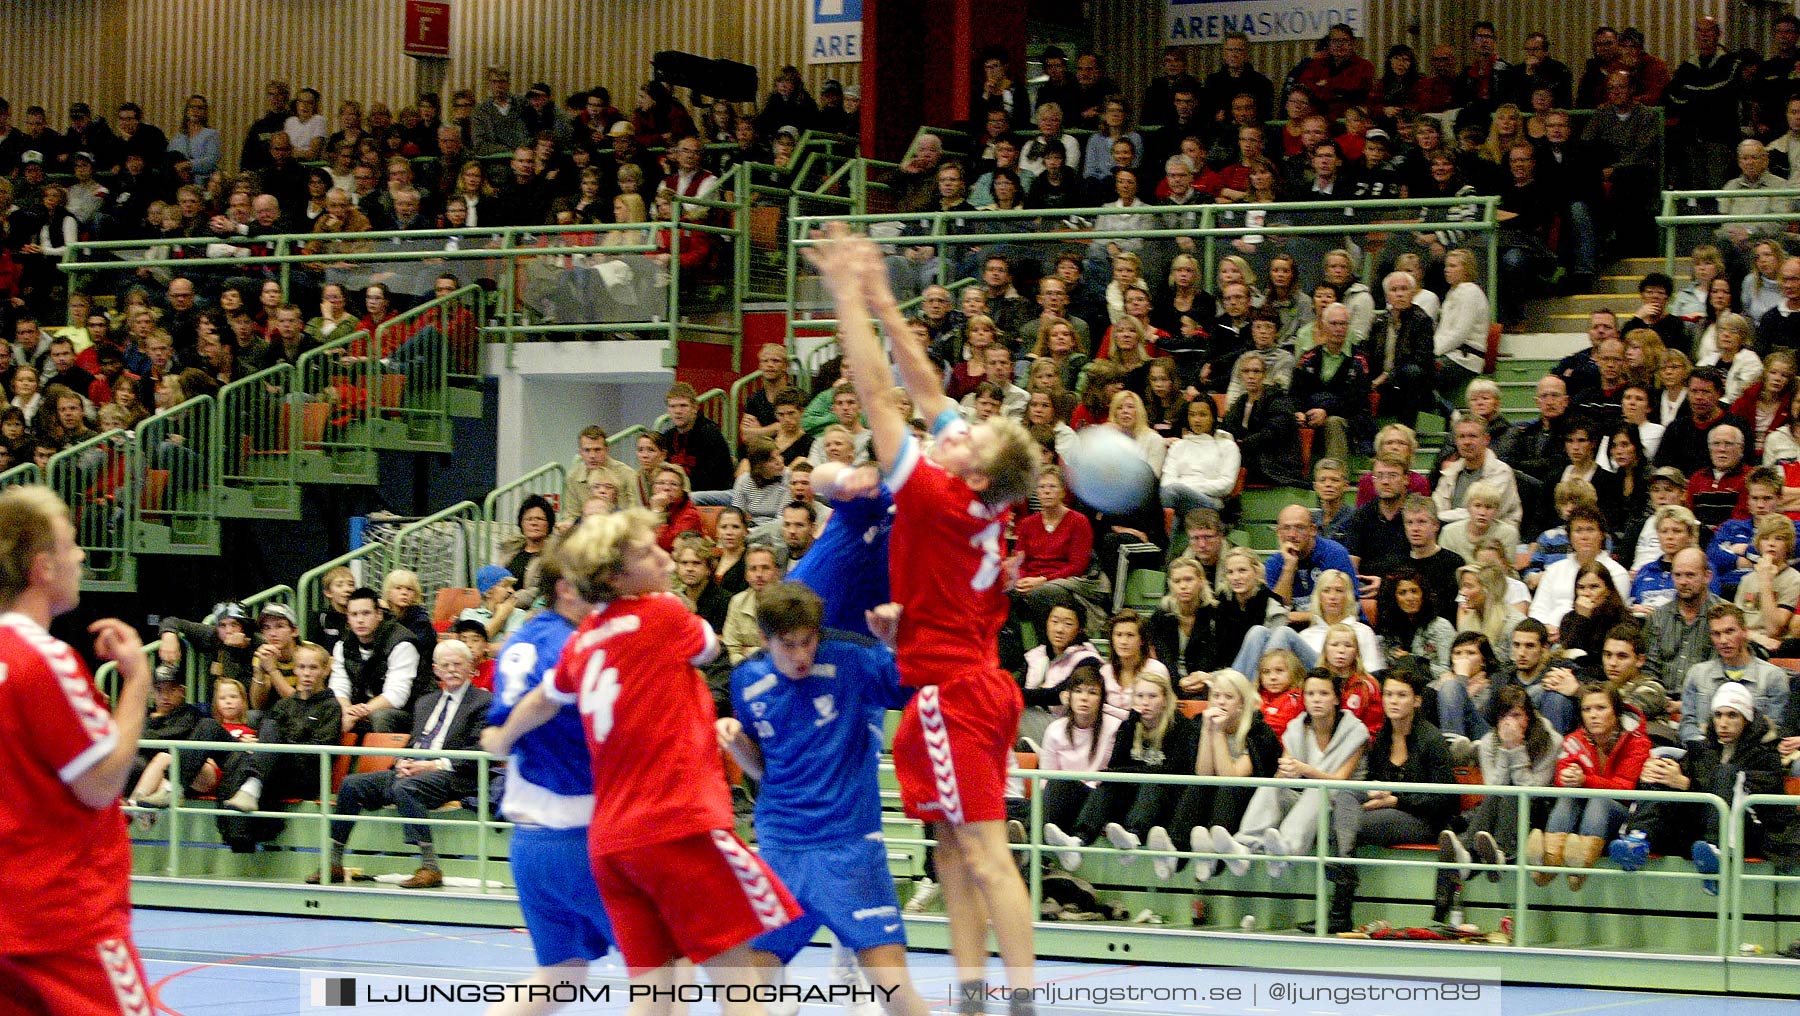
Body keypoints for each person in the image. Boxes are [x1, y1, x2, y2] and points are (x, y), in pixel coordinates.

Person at [803, 226, 1039, 1012]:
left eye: (968, 434)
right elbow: (927, 387)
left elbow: (879, 393)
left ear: (971, 466)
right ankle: (972, 991)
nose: (954, 426)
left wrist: (845, 295)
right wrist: (882, 296)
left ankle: (1024, 996)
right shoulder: (979, 500)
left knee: (986, 852)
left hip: (952, 693)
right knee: (951, 850)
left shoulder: (936, 498)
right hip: (975, 681)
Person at [482, 510, 799, 1005]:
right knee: (740, 980)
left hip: (613, 842)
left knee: (655, 993)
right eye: (649, 552)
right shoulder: (665, 614)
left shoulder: (582, 642)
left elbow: (544, 699)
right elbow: (709, 647)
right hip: (676, 824)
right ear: (615, 574)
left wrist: (500, 738)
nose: (665, 556)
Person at [715, 581, 927, 1016]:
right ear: (763, 639)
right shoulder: (745, 680)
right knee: (746, 985)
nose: (800, 656)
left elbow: (913, 690)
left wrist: (894, 643)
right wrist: (738, 748)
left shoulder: (851, 656)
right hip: (780, 847)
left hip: (849, 848)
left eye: (808, 642)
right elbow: (762, 772)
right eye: (787, 645)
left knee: (892, 986)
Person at [0, 486, 155, 1015]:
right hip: (67, 923)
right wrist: (137, 683)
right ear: (42, 567)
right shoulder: (43, 659)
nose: (82, 557)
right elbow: (100, 783)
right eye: (70, 545)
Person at [1214, 666, 1369, 929]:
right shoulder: (1297, 727)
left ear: (1335, 698)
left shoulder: (1356, 731)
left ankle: (1285, 851)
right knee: (1271, 786)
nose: (1316, 699)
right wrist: (1284, 772)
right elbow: (1285, 771)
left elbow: (1342, 780)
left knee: (1315, 793)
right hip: (1304, 800)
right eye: (1310, 693)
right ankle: (1243, 848)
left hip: (1345, 804)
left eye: (1323, 693)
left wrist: (1304, 770)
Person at [1609, 683, 1798, 892]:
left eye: (1732, 716)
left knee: (1728, 773)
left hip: (1754, 831)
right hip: (1700, 833)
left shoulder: (1766, 755)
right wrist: (1651, 776)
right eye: (1718, 715)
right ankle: (1639, 838)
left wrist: (1687, 785)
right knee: (1664, 765)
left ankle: (1717, 854)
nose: (1723, 723)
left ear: (1746, 719)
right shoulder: (1700, 750)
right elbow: (1679, 787)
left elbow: (1757, 802)